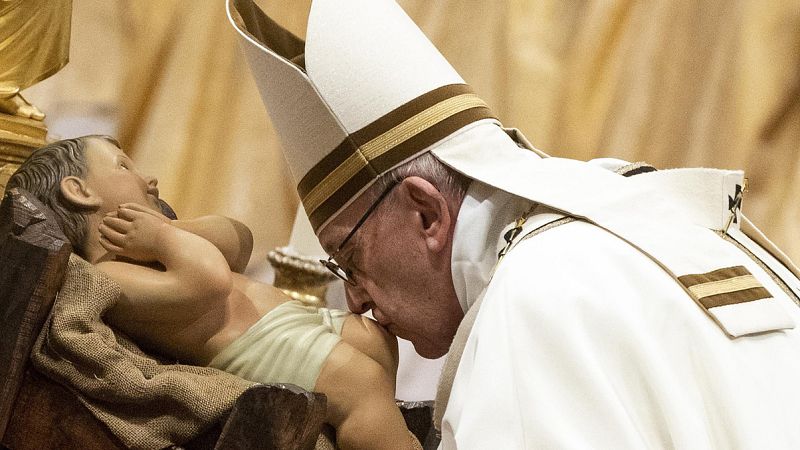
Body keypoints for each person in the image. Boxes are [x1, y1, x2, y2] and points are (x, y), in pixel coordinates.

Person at [227, 0, 800, 448]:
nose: (353, 301)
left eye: (350, 261)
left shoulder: (531, 300)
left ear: (427, 212)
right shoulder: (649, 216)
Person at [5, 135, 420, 450]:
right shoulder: (110, 275)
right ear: (80, 191)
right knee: (360, 384)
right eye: (123, 166)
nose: (148, 178)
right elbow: (209, 282)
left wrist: (169, 231)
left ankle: (377, 432)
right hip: (260, 347)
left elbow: (238, 240)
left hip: (291, 322)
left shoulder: (156, 244)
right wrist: (164, 238)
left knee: (377, 342)